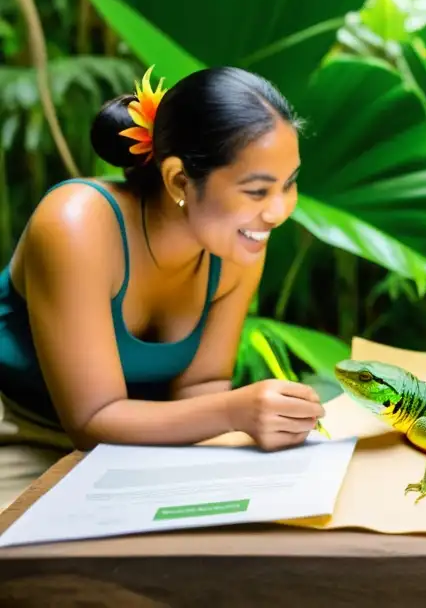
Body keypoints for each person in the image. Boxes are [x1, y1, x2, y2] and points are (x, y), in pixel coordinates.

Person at [0, 66, 325, 510]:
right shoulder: (76, 224)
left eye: (289, 184)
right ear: (178, 180)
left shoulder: (239, 242)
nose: (279, 211)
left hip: (139, 448)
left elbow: (202, 386)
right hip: (21, 431)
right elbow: (90, 422)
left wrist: (257, 420)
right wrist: (235, 412)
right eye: (257, 191)